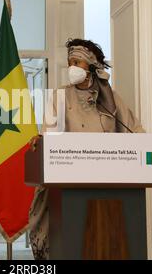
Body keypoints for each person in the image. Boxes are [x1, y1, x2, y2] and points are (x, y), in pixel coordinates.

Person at [28, 38, 145, 260]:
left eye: (77, 62)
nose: (71, 67)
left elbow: (133, 130)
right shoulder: (60, 96)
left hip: (109, 181)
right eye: (69, 61)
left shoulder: (110, 99)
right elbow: (50, 132)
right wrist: (41, 139)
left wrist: (146, 146)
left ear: (91, 66)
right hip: (69, 179)